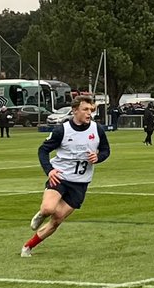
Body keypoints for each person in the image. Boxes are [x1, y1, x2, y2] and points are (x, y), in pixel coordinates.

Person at [22, 96, 110, 256]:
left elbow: (105, 150)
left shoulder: (97, 129)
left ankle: (28, 246)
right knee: (48, 209)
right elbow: (43, 150)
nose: (89, 113)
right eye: (85, 109)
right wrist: (49, 170)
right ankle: (42, 213)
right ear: (75, 110)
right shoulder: (62, 130)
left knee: (57, 220)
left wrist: (98, 158)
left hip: (80, 184)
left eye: (91, 110)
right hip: (60, 177)